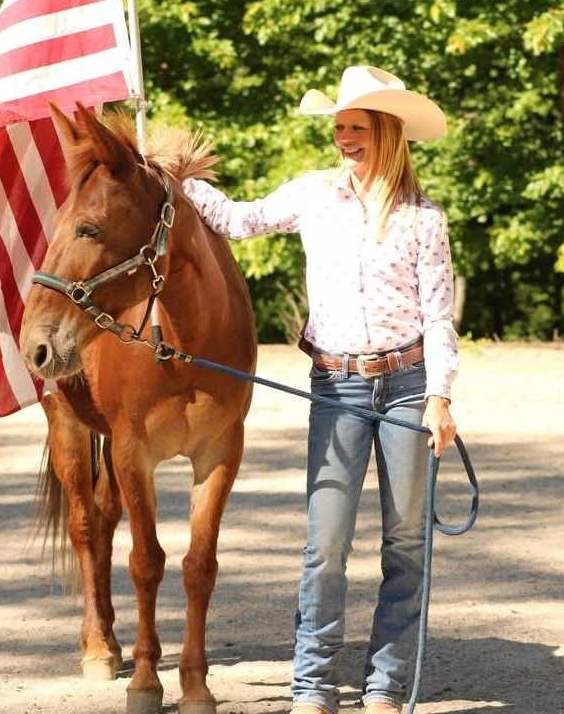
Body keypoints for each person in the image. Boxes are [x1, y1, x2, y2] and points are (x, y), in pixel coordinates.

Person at [182, 65, 459, 714]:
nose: (343, 138)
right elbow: (238, 220)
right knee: (326, 542)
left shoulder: (424, 220)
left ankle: (386, 688)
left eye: (355, 127)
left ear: (387, 132)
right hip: (335, 386)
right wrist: (174, 177)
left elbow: (440, 316)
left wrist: (440, 395)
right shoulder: (311, 194)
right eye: (338, 127)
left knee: (406, 541)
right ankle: (312, 688)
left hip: (408, 386)